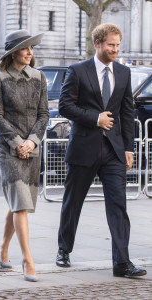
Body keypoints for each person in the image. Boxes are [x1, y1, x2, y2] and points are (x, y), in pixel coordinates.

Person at [56, 23, 147, 278]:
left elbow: (127, 114)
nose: (115, 49)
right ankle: (63, 250)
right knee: (72, 203)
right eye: (111, 45)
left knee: (118, 205)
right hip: (84, 147)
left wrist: (129, 148)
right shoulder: (77, 71)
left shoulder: (124, 73)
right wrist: (95, 118)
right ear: (98, 43)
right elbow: (65, 106)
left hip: (114, 151)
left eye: (118, 45)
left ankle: (122, 263)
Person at [0, 29, 49, 282]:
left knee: (18, 204)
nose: (30, 52)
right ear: (13, 52)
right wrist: (17, 143)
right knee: (21, 203)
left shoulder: (39, 77)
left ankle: (2, 248)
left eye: (31, 49)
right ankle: (27, 259)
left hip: (32, 149)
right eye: (25, 48)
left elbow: (44, 115)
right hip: (9, 150)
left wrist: (32, 142)